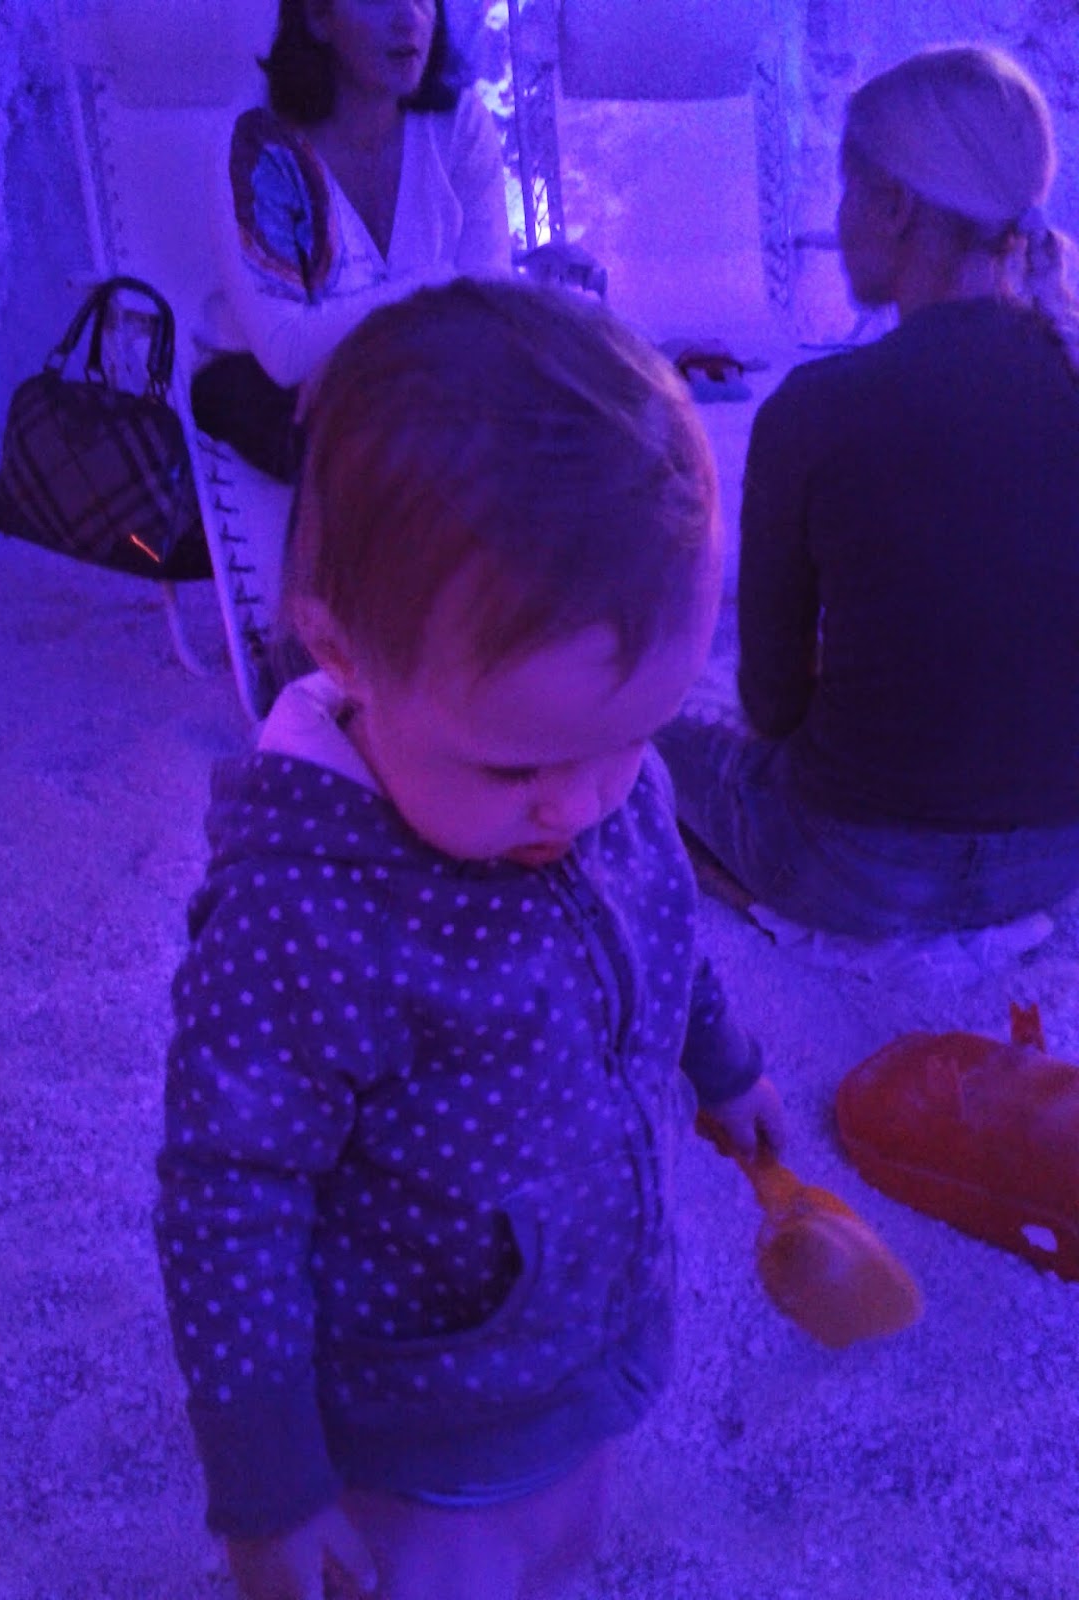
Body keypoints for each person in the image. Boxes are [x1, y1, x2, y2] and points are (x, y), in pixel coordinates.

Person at [156, 278, 786, 1600]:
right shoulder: (301, 920)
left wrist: (723, 1066)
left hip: (577, 1332)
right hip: (419, 1410)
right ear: (341, 649)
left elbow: (662, 923)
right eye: (515, 767)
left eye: (632, 736)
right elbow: (230, 1199)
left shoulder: (598, 774)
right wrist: (270, 1488)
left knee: (559, 1538)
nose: (582, 802)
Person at [657, 43, 1079, 937]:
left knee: (644, 730)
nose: (841, 216)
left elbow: (772, 704)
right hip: (1059, 858)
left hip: (859, 874)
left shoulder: (819, 407)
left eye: (847, 190)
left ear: (894, 205)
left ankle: (743, 893)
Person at [191, 0, 511, 479]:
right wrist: (438, 285)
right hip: (264, 391)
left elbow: (489, 309)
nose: (410, 17)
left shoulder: (459, 123)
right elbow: (287, 353)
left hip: (409, 378)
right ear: (319, 17)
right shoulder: (259, 141)